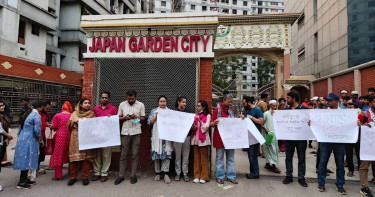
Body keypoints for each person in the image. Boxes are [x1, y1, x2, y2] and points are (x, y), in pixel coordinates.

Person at [317, 93, 346, 195]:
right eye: (327, 100)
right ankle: (321, 183)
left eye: (330, 100)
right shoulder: (323, 113)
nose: (327, 102)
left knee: (340, 164)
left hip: (339, 141)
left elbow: (350, 123)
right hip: (326, 141)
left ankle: (340, 185)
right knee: (323, 163)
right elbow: (317, 123)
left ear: (337, 101)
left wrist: (357, 124)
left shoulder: (345, 112)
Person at [115, 90, 145, 185]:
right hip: (125, 132)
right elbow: (118, 118)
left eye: (132, 98)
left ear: (135, 97)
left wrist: (137, 117)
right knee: (123, 155)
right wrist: (125, 118)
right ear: (126, 97)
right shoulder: (122, 104)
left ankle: (133, 175)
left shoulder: (141, 105)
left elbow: (143, 119)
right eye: (128, 98)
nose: (130, 100)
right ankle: (121, 175)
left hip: (136, 132)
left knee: (135, 155)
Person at [13, 100, 44, 189]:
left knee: (24, 158)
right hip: (30, 140)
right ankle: (22, 182)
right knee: (28, 159)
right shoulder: (36, 115)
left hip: (22, 139)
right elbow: (37, 130)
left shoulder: (27, 114)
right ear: (40, 107)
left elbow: (20, 127)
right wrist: (41, 140)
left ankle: (25, 179)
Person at [210, 92, 239, 184]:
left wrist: (240, 119)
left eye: (231, 102)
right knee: (219, 158)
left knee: (230, 158)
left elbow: (234, 122)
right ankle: (220, 176)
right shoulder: (216, 110)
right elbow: (211, 123)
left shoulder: (231, 110)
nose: (230, 104)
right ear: (223, 100)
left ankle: (231, 176)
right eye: (229, 102)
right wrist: (214, 123)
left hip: (230, 138)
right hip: (220, 138)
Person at [67, 98, 96, 186]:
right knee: (74, 158)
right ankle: (73, 177)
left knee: (86, 158)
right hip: (75, 137)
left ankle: (85, 177)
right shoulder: (74, 114)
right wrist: (73, 122)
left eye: (89, 103)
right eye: (85, 103)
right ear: (80, 104)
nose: (87, 104)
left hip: (87, 137)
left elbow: (95, 126)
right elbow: (68, 125)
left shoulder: (92, 114)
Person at [283, 92, 308, 187]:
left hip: (301, 139)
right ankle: (289, 175)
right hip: (289, 138)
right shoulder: (286, 110)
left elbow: (308, 123)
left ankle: (301, 177)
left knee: (301, 158)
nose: (287, 100)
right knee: (288, 157)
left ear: (294, 99)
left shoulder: (304, 109)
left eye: (288, 98)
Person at [93, 92, 118, 183]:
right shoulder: (96, 109)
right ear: (100, 98)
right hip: (97, 134)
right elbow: (92, 121)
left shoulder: (113, 109)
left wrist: (112, 118)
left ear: (109, 99)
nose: (104, 99)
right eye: (103, 97)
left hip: (107, 134)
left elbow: (116, 122)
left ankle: (104, 173)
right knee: (97, 154)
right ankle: (96, 172)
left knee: (106, 155)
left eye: (106, 98)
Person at [148, 95, 173, 184]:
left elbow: (173, 123)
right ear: (158, 102)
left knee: (166, 154)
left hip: (166, 137)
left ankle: (165, 174)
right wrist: (156, 117)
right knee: (157, 154)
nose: (162, 103)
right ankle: (158, 173)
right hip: (157, 136)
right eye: (161, 101)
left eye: (164, 101)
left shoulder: (170, 112)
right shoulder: (154, 111)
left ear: (166, 102)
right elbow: (149, 122)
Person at [49, 101, 73, 181]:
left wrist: (51, 127)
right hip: (70, 136)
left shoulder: (57, 115)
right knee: (70, 153)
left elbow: (55, 126)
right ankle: (71, 171)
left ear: (62, 108)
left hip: (60, 137)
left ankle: (58, 175)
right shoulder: (72, 116)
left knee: (58, 154)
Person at [243, 96, 264, 179]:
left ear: (249, 102)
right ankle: (252, 172)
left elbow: (261, 121)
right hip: (247, 136)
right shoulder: (246, 110)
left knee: (253, 155)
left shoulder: (257, 110)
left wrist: (251, 117)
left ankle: (255, 173)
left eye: (244, 103)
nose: (243, 105)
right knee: (250, 155)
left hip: (255, 137)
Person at [358, 95, 375, 197]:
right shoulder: (364, 114)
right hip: (367, 146)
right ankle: (364, 187)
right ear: (370, 103)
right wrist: (362, 126)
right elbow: (356, 126)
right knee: (364, 167)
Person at [172, 96, 192, 182]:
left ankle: (185, 173)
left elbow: (191, 123)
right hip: (177, 136)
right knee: (177, 155)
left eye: (185, 102)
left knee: (186, 155)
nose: (184, 104)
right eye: (183, 102)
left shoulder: (188, 112)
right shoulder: (174, 112)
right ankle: (178, 173)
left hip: (186, 136)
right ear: (178, 102)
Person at [191, 101, 211, 184]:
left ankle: (204, 176)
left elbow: (206, 127)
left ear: (203, 107)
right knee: (196, 158)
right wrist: (194, 127)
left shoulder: (208, 116)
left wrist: (200, 121)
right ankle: (196, 176)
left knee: (204, 158)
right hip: (195, 138)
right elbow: (193, 127)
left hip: (203, 139)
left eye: (199, 106)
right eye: (197, 106)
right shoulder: (196, 115)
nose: (197, 107)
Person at [261, 100, 280, 174]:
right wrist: (266, 130)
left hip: (275, 135)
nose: (275, 107)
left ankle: (268, 163)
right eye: (273, 105)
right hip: (268, 135)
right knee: (271, 148)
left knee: (274, 148)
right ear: (270, 106)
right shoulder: (266, 114)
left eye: (276, 105)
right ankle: (274, 166)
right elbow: (262, 123)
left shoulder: (277, 114)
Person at [0, 100, 14, 192]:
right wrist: (8, 135)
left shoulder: (3, 115)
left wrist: (8, 135)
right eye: (0, 106)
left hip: (2, 142)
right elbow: (0, 129)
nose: (2, 107)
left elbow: (7, 126)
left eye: (3, 105)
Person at [345, 98, 360, 177]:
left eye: (351, 107)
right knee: (349, 154)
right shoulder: (345, 114)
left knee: (358, 154)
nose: (350, 108)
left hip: (357, 137)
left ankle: (361, 169)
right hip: (348, 137)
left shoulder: (360, 113)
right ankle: (351, 170)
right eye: (348, 107)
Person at [36, 101, 51, 175]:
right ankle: (33, 169)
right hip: (37, 137)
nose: (47, 110)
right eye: (47, 108)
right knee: (36, 153)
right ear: (42, 107)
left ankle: (37, 168)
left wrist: (47, 124)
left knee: (41, 153)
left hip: (43, 135)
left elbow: (43, 122)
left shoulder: (45, 114)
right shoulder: (36, 114)